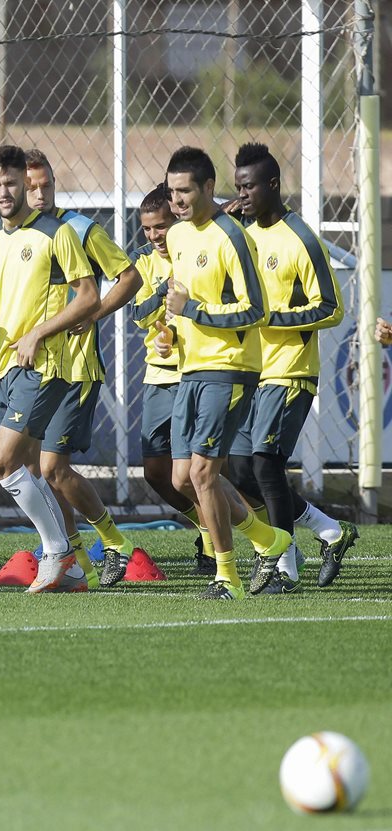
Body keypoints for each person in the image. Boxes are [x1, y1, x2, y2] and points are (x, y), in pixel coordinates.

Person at [0, 144, 99, 593]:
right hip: (7, 369)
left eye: (12, 183)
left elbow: (88, 297)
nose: (4, 192)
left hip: (45, 364)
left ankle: (58, 551)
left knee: (1, 460)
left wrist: (38, 333)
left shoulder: (57, 234)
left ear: (26, 184)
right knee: (30, 471)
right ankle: (69, 568)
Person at [224, 142, 355, 591]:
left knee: (265, 463)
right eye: (237, 186)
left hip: (290, 370)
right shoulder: (241, 234)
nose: (242, 195)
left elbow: (333, 307)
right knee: (238, 468)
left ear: (273, 185)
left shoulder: (300, 239)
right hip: (251, 371)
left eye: (249, 187)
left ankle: (284, 568)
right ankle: (329, 530)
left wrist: (275, 318)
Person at [163, 145, 292, 600]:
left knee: (202, 474)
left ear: (208, 188)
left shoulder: (233, 236)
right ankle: (267, 539)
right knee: (181, 478)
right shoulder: (177, 237)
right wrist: (172, 332)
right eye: (171, 191)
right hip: (191, 367)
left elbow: (256, 309)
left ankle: (227, 576)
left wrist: (193, 310)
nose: (176, 200)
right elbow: (178, 302)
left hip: (231, 368)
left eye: (185, 191)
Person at [23, 149, 144, 588]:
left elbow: (129, 277)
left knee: (52, 466)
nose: (38, 194)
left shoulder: (79, 229)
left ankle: (114, 542)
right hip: (36, 370)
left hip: (75, 369)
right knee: (36, 470)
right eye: (30, 186)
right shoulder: (19, 238)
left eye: (45, 184)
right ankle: (71, 555)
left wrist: (92, 314)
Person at [129, 184, 216, 575]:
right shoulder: (144, 263)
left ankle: (218, 544)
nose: (154, 236)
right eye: (147, 229)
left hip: (191, 374)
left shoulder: (192, 252)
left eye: (160, 226)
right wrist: (165, 291)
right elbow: (140, 314)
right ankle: (204, 524)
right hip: (156, 375)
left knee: (193, 473)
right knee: (154, 472)